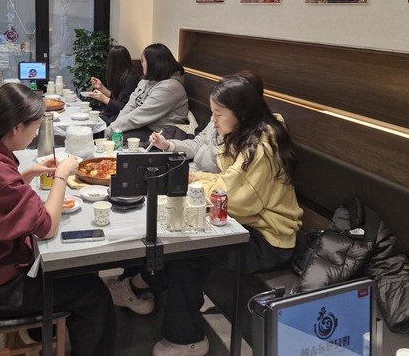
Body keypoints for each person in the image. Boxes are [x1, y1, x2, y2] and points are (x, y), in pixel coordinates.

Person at [107, 75, 302, 356]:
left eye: (218, 114)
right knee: (173, 237)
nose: (214, 120)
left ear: (241, 112)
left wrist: (195, 183)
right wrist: (197, 178)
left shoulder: (261, 147)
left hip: (269, 239)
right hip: (246, 223)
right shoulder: (249, 134)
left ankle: (187, 339)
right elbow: (229, 181)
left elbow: (238, 201)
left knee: (189, 253)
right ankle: (139, 289)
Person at [0, 83, 117, 356]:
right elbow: (47, 226)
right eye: (34, 128)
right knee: (93, 291)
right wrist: (61, 175)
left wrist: (28, 174)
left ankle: (40, 328)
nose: (35, 135)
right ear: (16, 128)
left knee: (74, 271)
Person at [148, 70, 264, 173]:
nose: (213, 119)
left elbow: (225, 181)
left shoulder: (251, 143)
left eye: (218, 113)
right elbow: (197, 144)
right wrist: (168, 145)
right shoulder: (219, 119)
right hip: (193, 170)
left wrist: (195, 178)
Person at [104, 43, 189, 141]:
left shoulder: (170, 88)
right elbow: (130, 107)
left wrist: (112, 130)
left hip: (160, 132)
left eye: (143, 61)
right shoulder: (146, 81)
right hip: (144, 126)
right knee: (112, 132)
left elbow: (141, 115)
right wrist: (114, 128)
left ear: (153, 63)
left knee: (118, 139)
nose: (141, 64)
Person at [89, 45, 141, 125]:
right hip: (116, 114)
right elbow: (117, 98)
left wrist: (104, 99)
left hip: (123, 118)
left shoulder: (131, 78)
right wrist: (101, 87)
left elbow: (123, 108)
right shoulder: (122, 75)